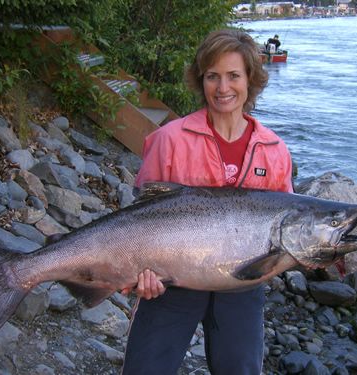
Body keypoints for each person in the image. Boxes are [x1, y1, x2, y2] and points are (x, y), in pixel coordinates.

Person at [121, 29, 293, 375]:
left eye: (233, 76)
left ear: (251, 80)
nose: (223, 88)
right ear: (201, 81)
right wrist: (139, 271)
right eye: (213, 76)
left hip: (242, 287)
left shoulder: (275, 151)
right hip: (169, 284)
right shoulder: (169, 139)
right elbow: (140, 218)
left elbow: (288, 229)